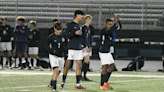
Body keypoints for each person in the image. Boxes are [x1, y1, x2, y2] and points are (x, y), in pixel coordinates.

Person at [60, 10, 86, 89]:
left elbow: (81, 37)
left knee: (78, 66)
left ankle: (78, 84)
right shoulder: (71, 24)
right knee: (67, 66)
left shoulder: (80, 25)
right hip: (71, 48)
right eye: (81, 15)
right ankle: (63, 82)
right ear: (77, 15)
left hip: (78, 48)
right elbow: (66, 34)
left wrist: (83, 46)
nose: (82, 17)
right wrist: (75, 33)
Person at [99, 15, 119, 90]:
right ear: (105, 24)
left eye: (110, 24)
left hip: (107, 51)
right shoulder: (103, 31)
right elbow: (111, 31)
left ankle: (105, 82)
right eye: (108, 24)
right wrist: (115, 23)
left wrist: (118, 21)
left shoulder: (110, 30)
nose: (109, 26)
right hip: (103, 51)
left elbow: (119, 27)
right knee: (105, 67)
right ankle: (101, 85)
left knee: (112, 66)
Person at [46, 22, 67, 92]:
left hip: (61, 55)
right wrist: (51, 50)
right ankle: (54, 87)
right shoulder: (51, 37)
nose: (59, 31)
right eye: (58, 30)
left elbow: (66, 44)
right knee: (56, 69)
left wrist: (66, 52)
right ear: (54, 29)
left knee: (59, 71)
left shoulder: (64, 36)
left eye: (60, 29)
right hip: (53, 55)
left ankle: (52, 82)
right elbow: (46, 46)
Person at [81, 14, 93, 81]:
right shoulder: (83, 28)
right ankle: (81, 75)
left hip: (88, 46)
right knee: (86, 60)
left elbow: (89, 38)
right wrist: (83, 46)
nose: (90, 21)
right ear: (85, 20)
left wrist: (90, 46)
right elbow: (82, 38)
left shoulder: (89, 28)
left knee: (87, 61)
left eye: (90, 19)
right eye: (89, 19)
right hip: (84, 47)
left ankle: (83, 75)